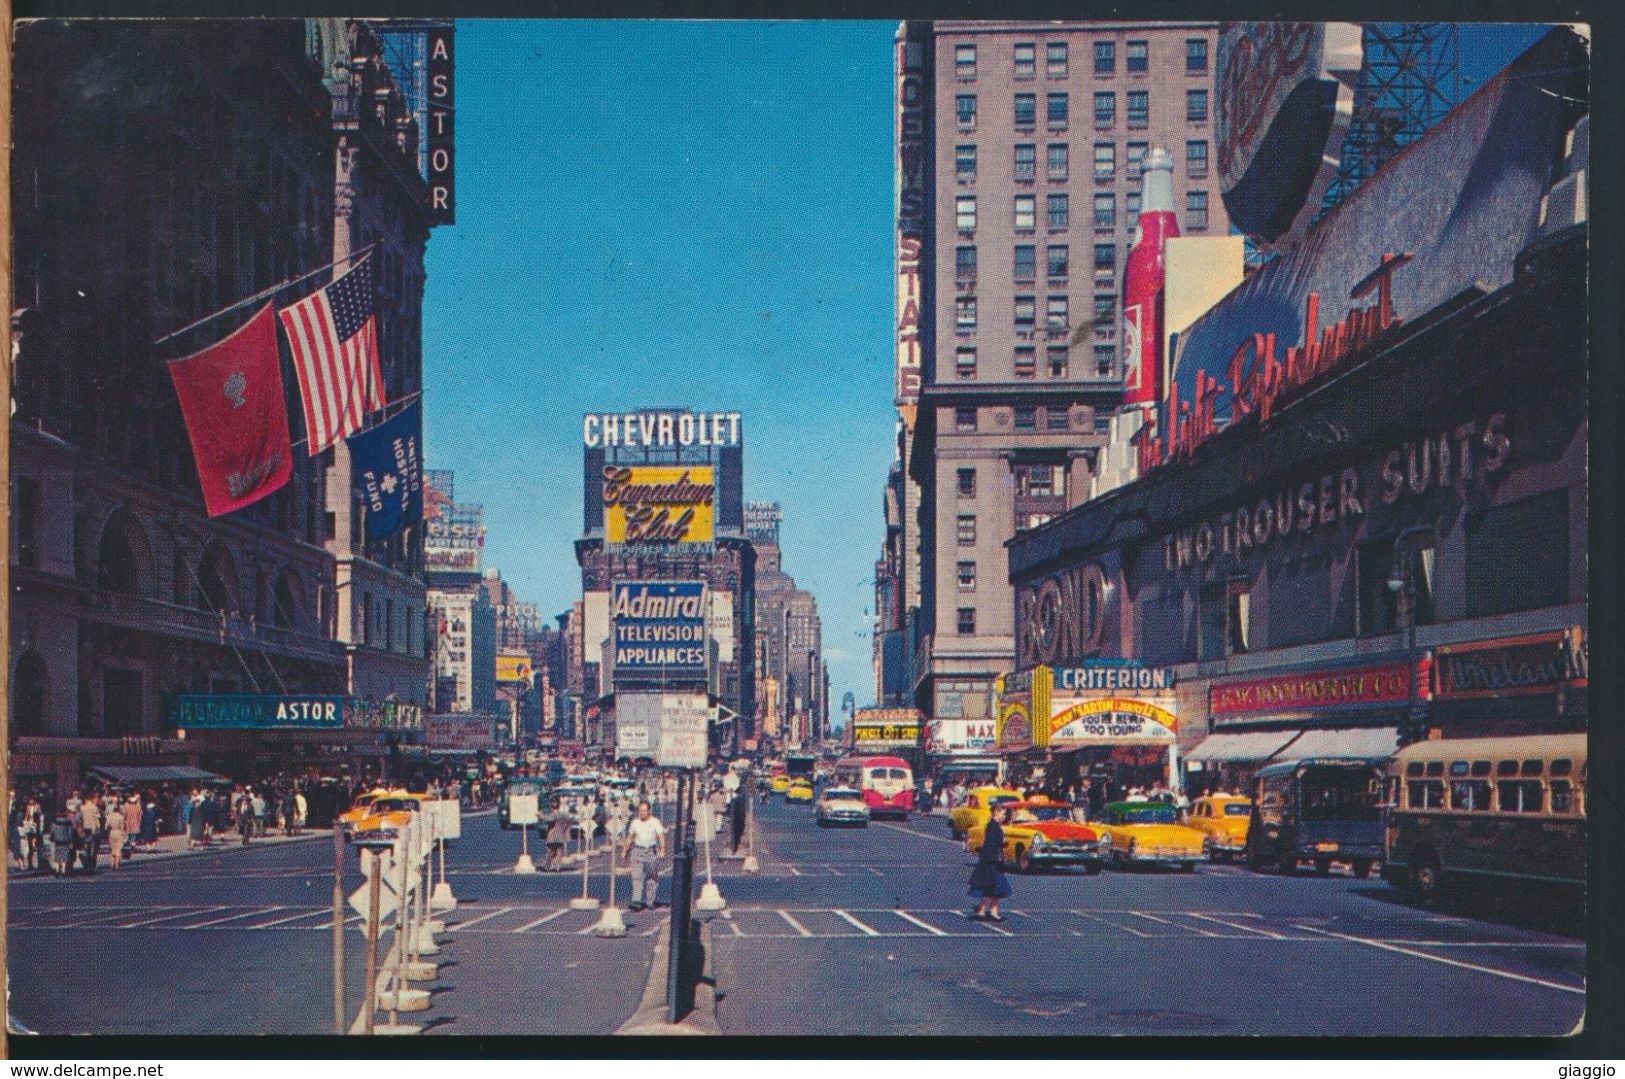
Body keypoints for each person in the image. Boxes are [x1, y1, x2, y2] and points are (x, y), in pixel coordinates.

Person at [968, 804, 1013, 921]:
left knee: (996, 888)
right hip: (992, 863)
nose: (1004, 816)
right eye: (1003, 813)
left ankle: (987, 910)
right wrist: (996, 857)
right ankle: (987, 910)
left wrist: (1002, 846)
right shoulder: (993, 826)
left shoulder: (995, 825)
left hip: (994, 862)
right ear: (996, 812)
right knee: (998, 887)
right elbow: (990, 845)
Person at [623, 800, 667, 912]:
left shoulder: (655, 822)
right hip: (637, 851)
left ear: (649, 811)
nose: (642, 813)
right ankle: (636, 901)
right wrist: (625, 852)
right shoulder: (635, 823)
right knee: (637, 877)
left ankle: (650, 901)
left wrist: (662, 850)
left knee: (652, 878)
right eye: (640, 810)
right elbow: (630, 837)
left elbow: (661, 836)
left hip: (651, 852)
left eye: (644, 810)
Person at [545, 803, 571, 871]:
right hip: (560, 835)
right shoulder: (564, 815)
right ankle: (557, 866)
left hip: (551, 835)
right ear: (558, 807)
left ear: (552, 808)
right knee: (559, 851)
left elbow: (549, 823)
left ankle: (549, 866)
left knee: (550, 851)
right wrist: (563, 829)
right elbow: (568, 823)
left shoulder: (551, 815)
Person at [106, 795, 128, 870]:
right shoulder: (121, 817)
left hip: (112, 832)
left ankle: (112, 864)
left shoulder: (109, 816)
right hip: (119, 832)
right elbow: (122, 827)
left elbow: (106, 826)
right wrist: (124, 834)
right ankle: (117, 865)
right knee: (118, 849)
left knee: (112, 849)